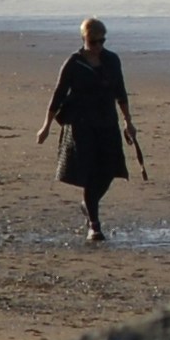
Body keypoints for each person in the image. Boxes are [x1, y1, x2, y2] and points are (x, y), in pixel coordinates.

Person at [38, 18, 141, 241]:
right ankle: (94, 225)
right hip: (81, 125)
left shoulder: (111, 60)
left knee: (109, 170)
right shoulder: (73, 64)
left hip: (107, 123)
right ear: (84, 39)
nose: (98, 46)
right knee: (90, 172)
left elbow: (120, 93)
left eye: (102, 41)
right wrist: (46, 126)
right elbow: (58, 96)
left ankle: (87, 204)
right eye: (94, 42)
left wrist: (128, 122)